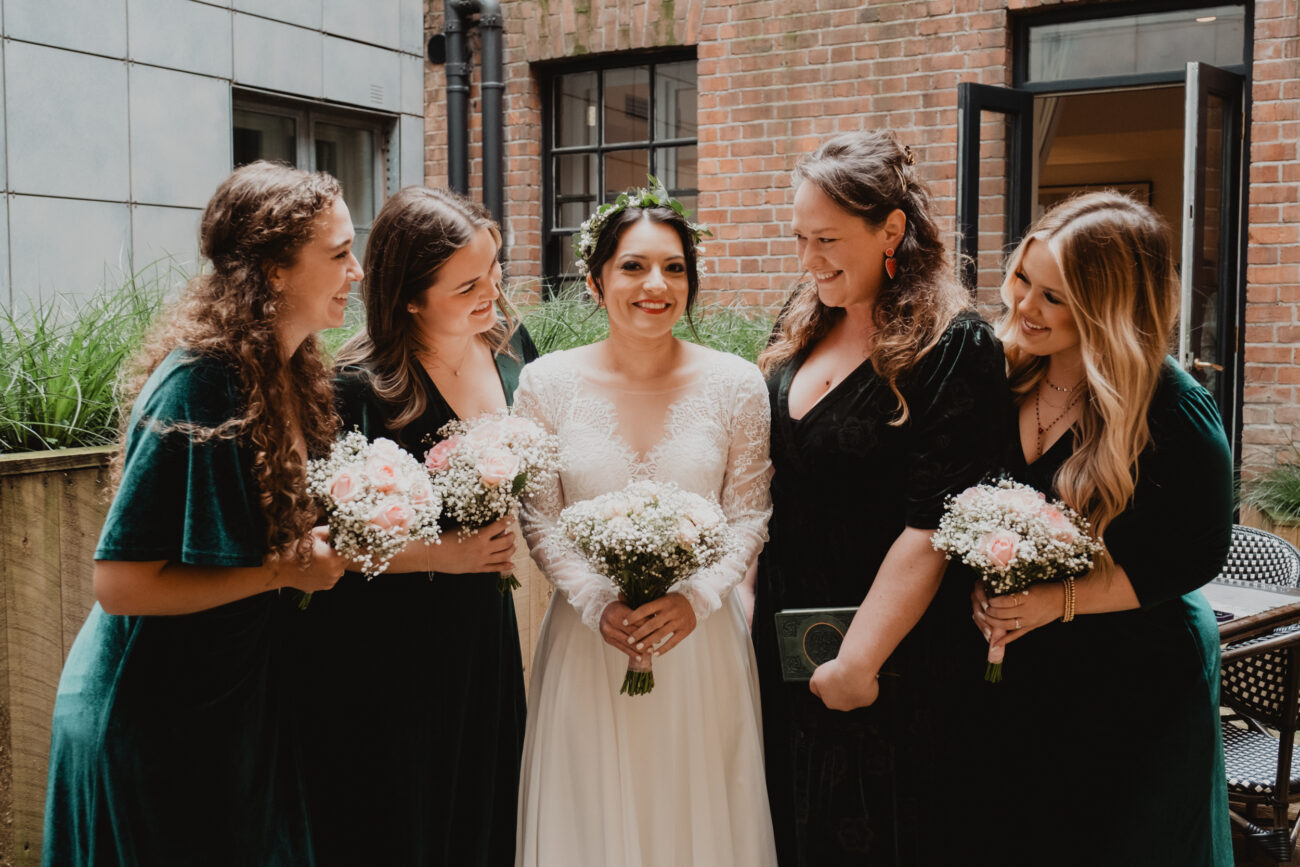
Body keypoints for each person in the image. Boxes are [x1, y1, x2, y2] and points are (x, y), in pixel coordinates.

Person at [42, 161, 356, 865]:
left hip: (229, 705)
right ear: (275, 269)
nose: (356, 270)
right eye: (337, 254)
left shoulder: (292, 368)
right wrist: (283, 573)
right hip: (151, 714)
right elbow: (120, 584)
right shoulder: (197, 386)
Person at [750, 130, 1009, 864]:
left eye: (828, 238)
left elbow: (934, 523)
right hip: (787, 645)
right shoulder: (800, 324)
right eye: (800, 238)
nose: (808, 260)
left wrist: (856, 664)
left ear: (891, 228)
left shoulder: (954, 345)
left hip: (890, 664)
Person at [513, 183, 778, 867]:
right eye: (632, 266)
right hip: (587, 639)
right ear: (596, 279)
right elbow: (540, 518)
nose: (655, 284)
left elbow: (750, 512)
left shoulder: (737, 383)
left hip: (700, 644)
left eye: (675, 267)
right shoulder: (545, 383)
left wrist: (696, 599)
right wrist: (598, 602)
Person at [971, 191, 1233, 865]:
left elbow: (1196, 552)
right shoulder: (992, 377)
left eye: (1055, 297)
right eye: (1024, 279)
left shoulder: (1173, 408)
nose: (1025, 306)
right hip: (1021, 675)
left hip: (1135, 677)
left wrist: (1056, 601)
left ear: (1107, 306)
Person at [293, 186, 535, 866]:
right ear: (408, 296)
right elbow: (319, 547)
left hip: (483, 630)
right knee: (405, 820)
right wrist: (444, 555)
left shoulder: (514, 349)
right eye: (466, 285)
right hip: (387, 648)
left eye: (494, 271)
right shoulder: (355, 387)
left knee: (487, 812)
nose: (491, 293)